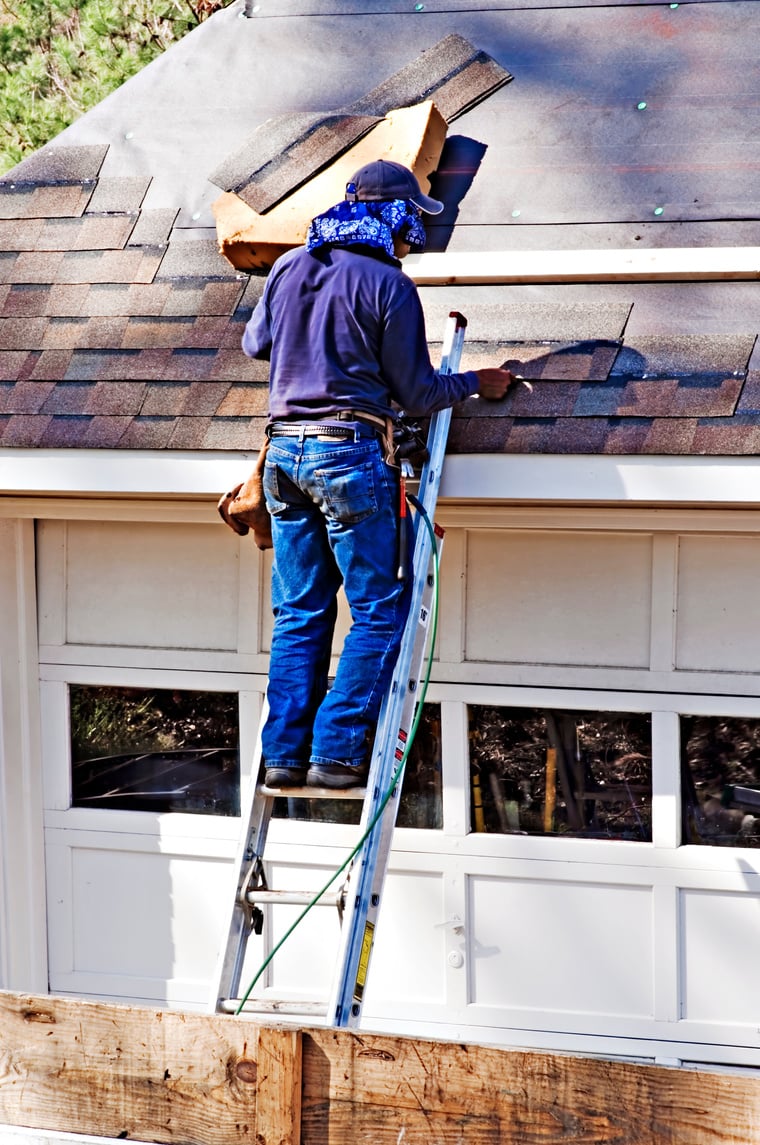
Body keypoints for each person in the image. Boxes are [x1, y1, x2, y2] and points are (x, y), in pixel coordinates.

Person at [242, 159, 514, 790]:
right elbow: (417, 395)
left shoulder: (287, 267)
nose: (410, 239)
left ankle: (283, 756)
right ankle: (335, 755)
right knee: (378, 612)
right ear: (391, 217)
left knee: (301, 612)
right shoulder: (389, 285)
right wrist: (478, 381)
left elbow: (257, 346)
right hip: (347, 450)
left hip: (283, 455)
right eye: (409, 224)